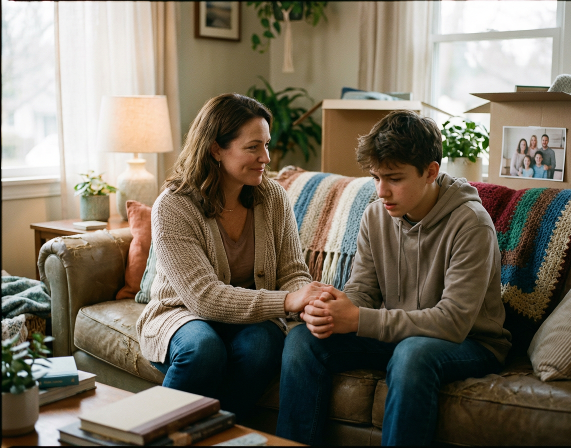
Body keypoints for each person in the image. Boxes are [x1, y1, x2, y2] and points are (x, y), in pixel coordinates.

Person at [276, 110, 512, 446]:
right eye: (375, 177)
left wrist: (357, 319)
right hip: (402, 335)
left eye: (395, 178)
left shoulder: (470, 223)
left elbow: (453, 322)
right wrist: (332, 310)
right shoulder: (376, 215)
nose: (382, 190)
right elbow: (363, 290)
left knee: (413, 354)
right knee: (303, 340)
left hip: (471, 342)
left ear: (431, 171)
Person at [136, 93, 324, 422]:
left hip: (246, 320)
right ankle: (152, 433)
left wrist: (308, 299)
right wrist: (288, 301)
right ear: (216, 149)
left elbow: (293, 272)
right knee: (203, 350)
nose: (265, 157)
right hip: (183, 314)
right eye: (253, 147)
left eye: (266, 144)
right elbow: (203, 298)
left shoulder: (273, 196)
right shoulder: (174, 205)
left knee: (264, 345)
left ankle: (221, 434)